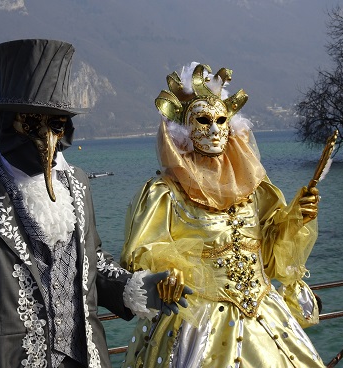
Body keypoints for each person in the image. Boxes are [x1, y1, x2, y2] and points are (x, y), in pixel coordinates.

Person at [0, 39, 189, 368]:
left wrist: (139, 288)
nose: (46, 137)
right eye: (32, 123)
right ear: (6, 122)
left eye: (56, 125)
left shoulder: (78, 185)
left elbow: (90, 265)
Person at [119, 62, 325, 367]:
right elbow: (144, 255)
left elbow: (269, 254)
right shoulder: (166, 193)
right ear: (183, 130)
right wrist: (167, 276)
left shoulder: (254, 189)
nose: (214, 129)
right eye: (203, 120)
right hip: (197, 325)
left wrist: (296, 218)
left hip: (265, 315)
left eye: (221, 120)